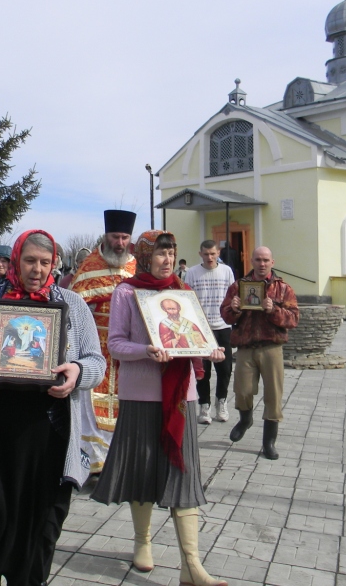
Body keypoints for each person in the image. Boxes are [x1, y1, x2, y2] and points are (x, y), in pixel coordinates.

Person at [0, 230, 105, 586]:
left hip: (48, 435)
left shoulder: (72, 306)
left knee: (37, 529)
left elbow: (96, 362)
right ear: (16, 261)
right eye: (30, 261)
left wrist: (77, 372)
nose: (37, 270)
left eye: (45, 263)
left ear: (54, 265)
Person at [91, 230, 227, 585]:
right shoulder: (127, 292)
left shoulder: (184, 293)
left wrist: (208, 350)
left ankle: (191, 565)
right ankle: (142, 542)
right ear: (147, 256)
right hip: (140, 396)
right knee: (142, 471)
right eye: (161, 254)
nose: (167, 260)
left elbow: (193, 338)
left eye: (172, 253)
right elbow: (116, 345)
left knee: (184, 472)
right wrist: (145, 351)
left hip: (181, 396)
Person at [70, 210, 137, 475]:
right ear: (106, 235)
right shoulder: (90, 266)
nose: (119, 242)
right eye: (115, 236)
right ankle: (95, 465)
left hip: (129, 351)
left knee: (126, 405)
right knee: (92, 409)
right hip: (97, 349)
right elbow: (74, 309)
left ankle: (120, 464)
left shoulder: (137, 267)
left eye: (124, 237)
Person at [220, 246, 299, 461]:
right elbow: (225, 316)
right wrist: (234, 309)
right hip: (246, 347)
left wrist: (273, 310)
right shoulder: (238, 287)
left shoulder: (283, 289)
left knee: (273, 396)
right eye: (258, 260)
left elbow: (293, 319)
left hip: (271, 347)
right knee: (242, 391)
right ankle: (245, 420)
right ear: (251, 261)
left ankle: (269, 442)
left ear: (272, 262)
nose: (262, 264)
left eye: (266, 260)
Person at [185, 240, 236, 424]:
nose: (209, 257)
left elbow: (233, 295)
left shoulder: (226, 271)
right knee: (202, 371)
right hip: (201, 329)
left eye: (213, 254)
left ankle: (221, 402)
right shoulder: (192, 272)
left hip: (223, 326)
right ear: (200, 254)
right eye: (206, 254)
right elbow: (186, 298)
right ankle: (204, 406)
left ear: (218, 253)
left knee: (225, 369)